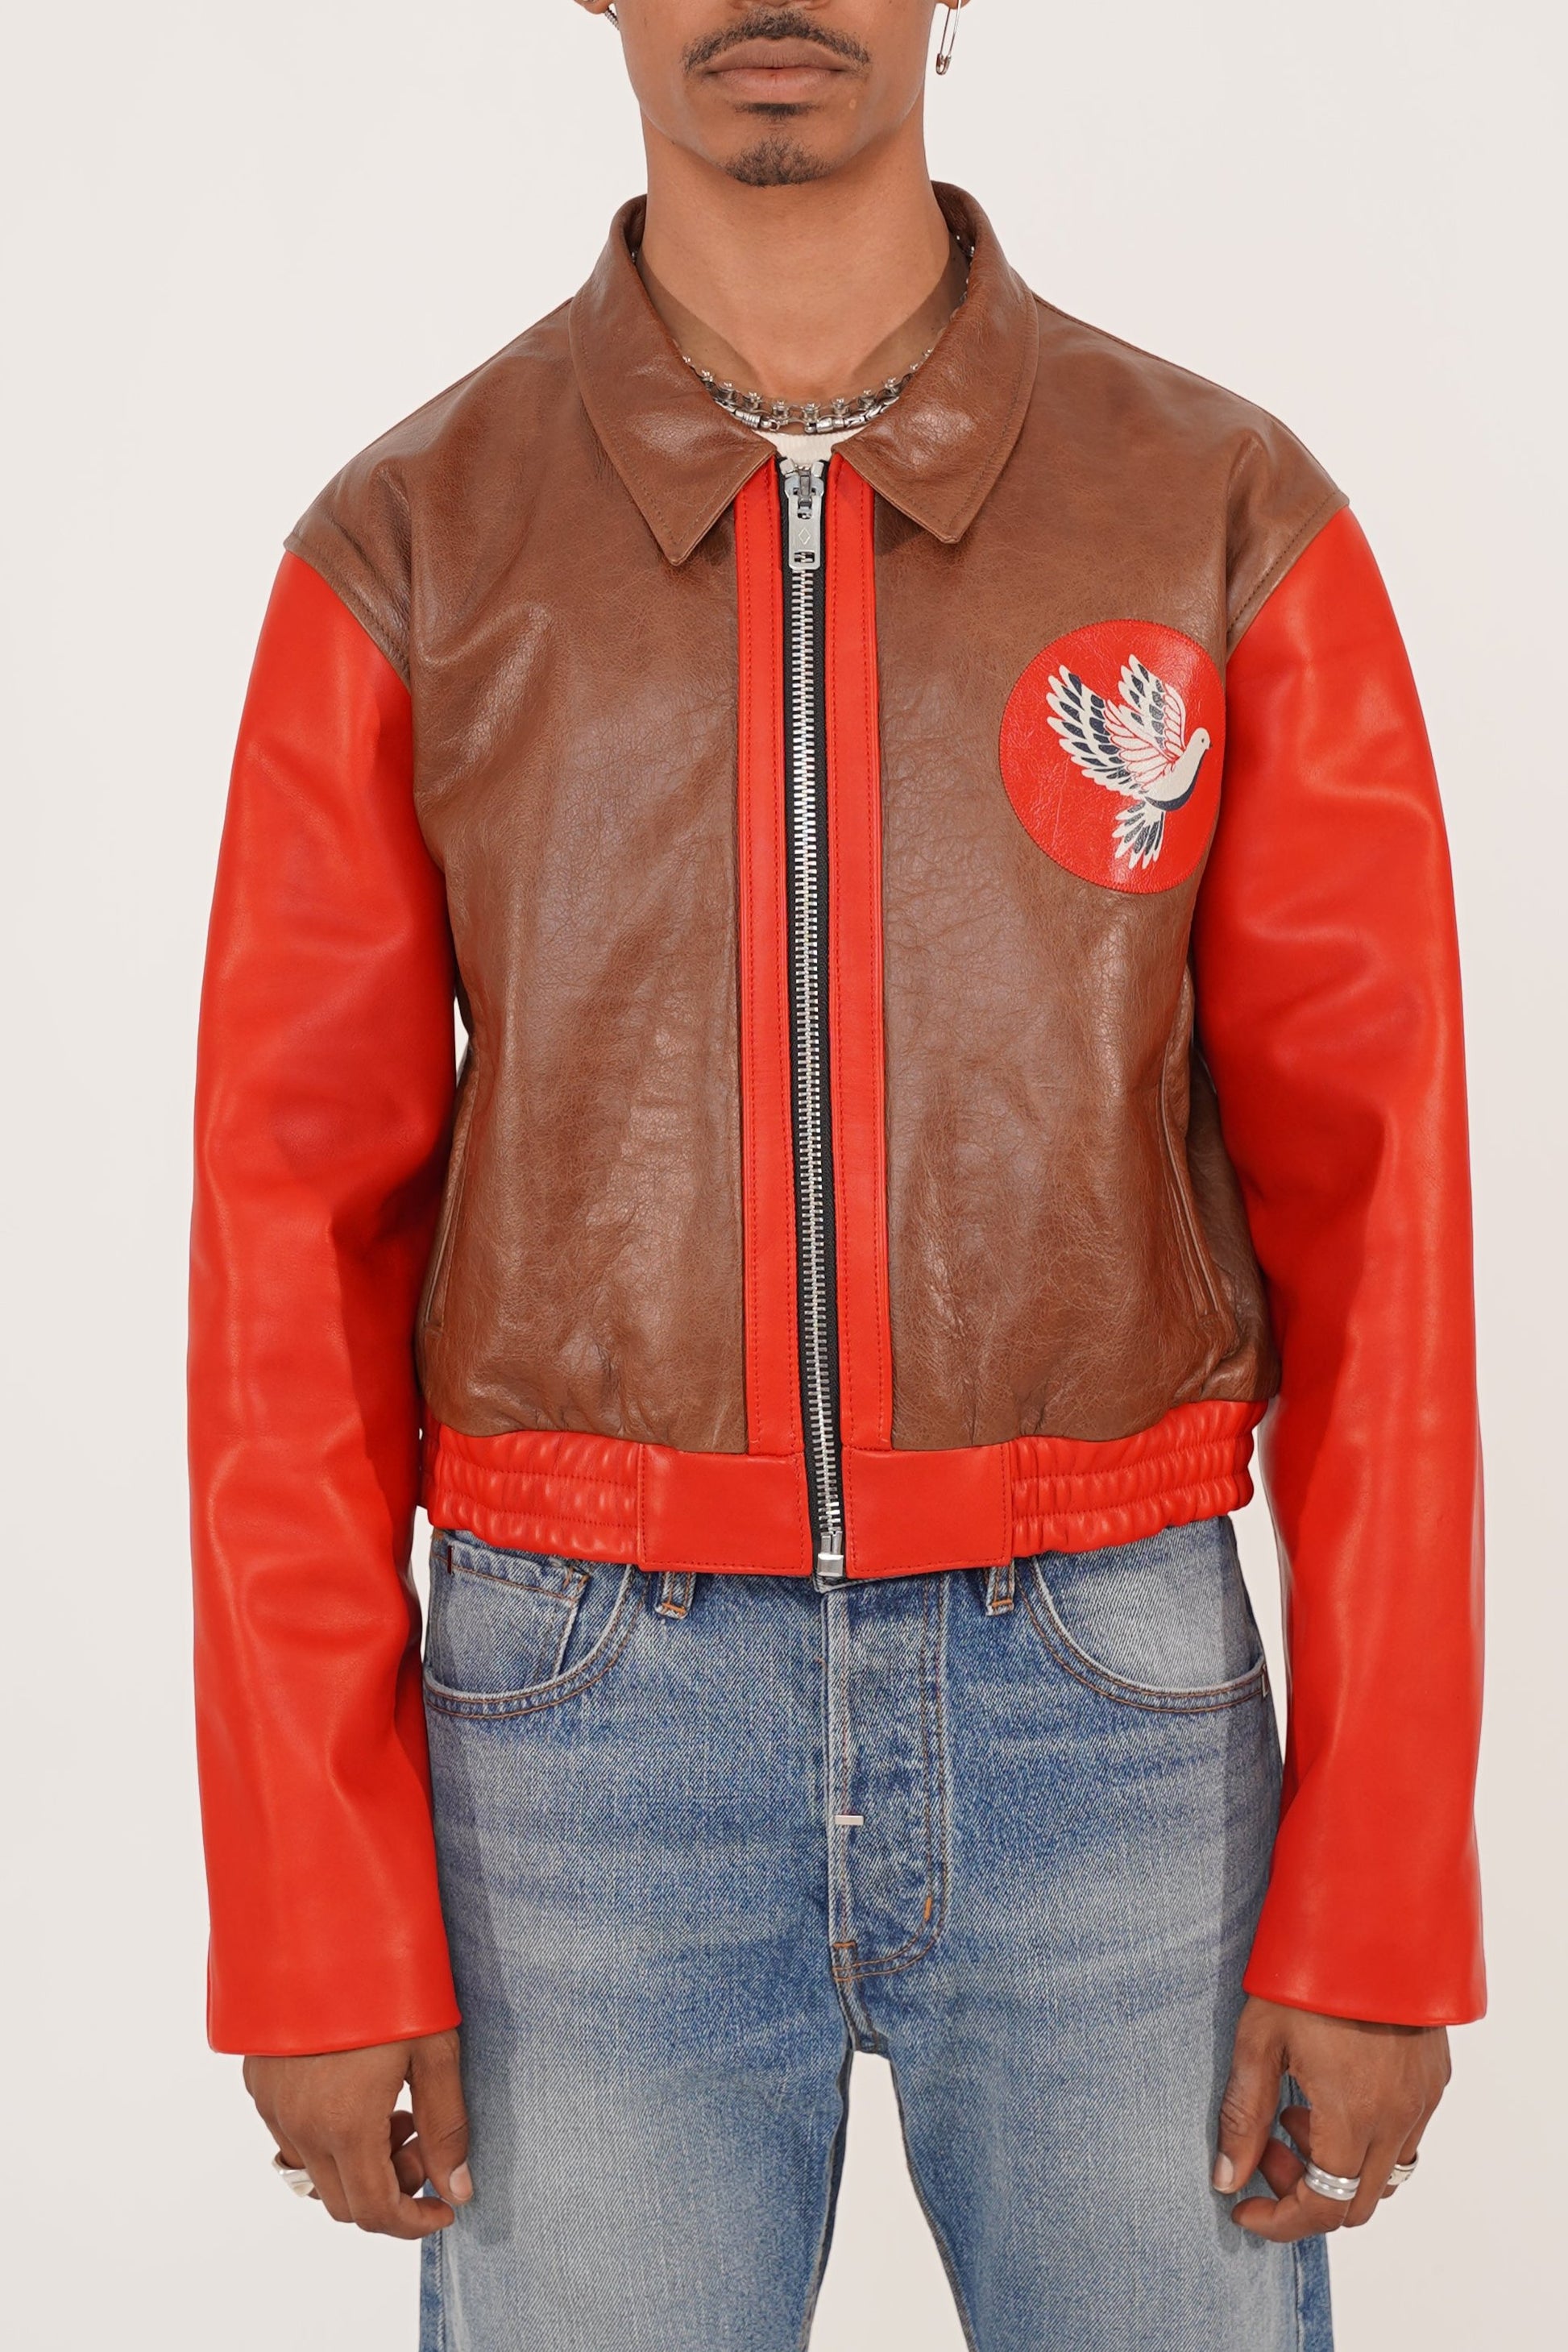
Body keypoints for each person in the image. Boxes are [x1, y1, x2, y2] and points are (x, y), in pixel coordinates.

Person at [188, 6, 1483, 2347]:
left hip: (1111, 1703)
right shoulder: (415, 543)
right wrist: (313, 1903)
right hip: (575, 1735)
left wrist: (1380, 1890)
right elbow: (287, 1244)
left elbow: (1387, 1223)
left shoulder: (1216, 513)